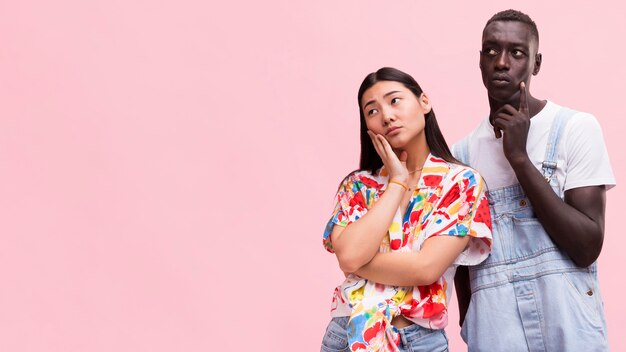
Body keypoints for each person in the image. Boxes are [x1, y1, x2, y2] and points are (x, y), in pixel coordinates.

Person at [452, 9, 616, 352]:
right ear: (480, 61)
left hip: (568, 324)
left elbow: (586, 246)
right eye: (491, 51)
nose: (501, 62)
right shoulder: (461, 155)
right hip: (494, 328)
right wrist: (470, 321)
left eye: (516, 52)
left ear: (536, 63)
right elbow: (462, 261)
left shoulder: (575, 128)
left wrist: (520, 160)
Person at [320, 67, 492, 352]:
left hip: (418, 341)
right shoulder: (359, 185)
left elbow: (426, 268)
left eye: (394, 100)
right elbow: (349, 255)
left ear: (424, 102)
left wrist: (358, 262)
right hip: (346, 334)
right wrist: (397, 183)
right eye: (372, 111)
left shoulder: (460, 182)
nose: (386, 115)